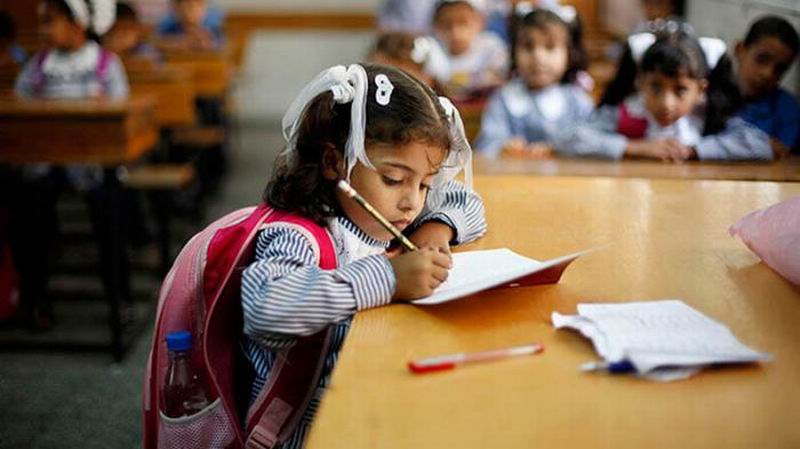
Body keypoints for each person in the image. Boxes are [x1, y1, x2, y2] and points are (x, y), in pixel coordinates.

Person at [241, 63, 487, 448]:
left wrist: (436, 229)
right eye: (393, 179)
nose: (411, 201)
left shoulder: (398, 213)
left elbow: (466, 201)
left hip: (374, 398)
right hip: (305, 428)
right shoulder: (300, 234)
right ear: (334, 162)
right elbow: (266, 306)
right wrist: (388, 279)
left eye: (424, 184)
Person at [9, 0, 128, 330]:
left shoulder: (105, 64)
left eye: (52, 22)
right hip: (47, 164)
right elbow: (20, 104)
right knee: (28, 211)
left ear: (77, 24)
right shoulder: (40, 65)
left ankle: (119, 296)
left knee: (110, 209)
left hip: (93, 165)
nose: (45, 30)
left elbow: (122, 111)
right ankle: (35, 297)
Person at [554, 21, 773, 161]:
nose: (666, 103)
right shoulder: (628, 114)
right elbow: (566, 139)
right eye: (656, 87)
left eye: (680, 90)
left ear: (701, 90)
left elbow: (759, 145)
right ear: (639, 82)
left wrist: (694, 150)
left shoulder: (708, 116)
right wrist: (633, 147)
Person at [475, 6, 592, 158]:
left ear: (569, 54)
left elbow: (592, 142)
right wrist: (503, 146)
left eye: (550, 47)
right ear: (513, 52)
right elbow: (487, 142)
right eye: (528, 47)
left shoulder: (578, 102)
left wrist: (558, 148)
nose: (538, 56)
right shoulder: (503, 99)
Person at [735, 16, 800, 156]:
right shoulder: (708, 93)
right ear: (739, 50)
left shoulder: (786, 107)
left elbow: (780, 151)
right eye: (762, 59)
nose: (768, 74)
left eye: (780, 69)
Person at [424, 0, 509, 100]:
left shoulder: (492, 46)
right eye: (447, 25)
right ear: (436, 27)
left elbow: (497, 77)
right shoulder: (431, 49)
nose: (455, 32)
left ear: (480, 22)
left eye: (463, 23)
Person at [103, 1, 163, 66]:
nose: (120, 38)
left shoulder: (147, 53)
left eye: (126, 31)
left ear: (137, 30)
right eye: (114, 32)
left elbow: (158, 68)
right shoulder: (100, 55)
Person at [157, 0, 224, 51]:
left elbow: (222, 45)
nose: (194, 10)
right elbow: (156, 43)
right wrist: (179, 43)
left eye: (199, 5)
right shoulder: (167, 25)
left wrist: (208, 43)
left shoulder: (213, 25)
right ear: (176, 8)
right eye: (189, 5)